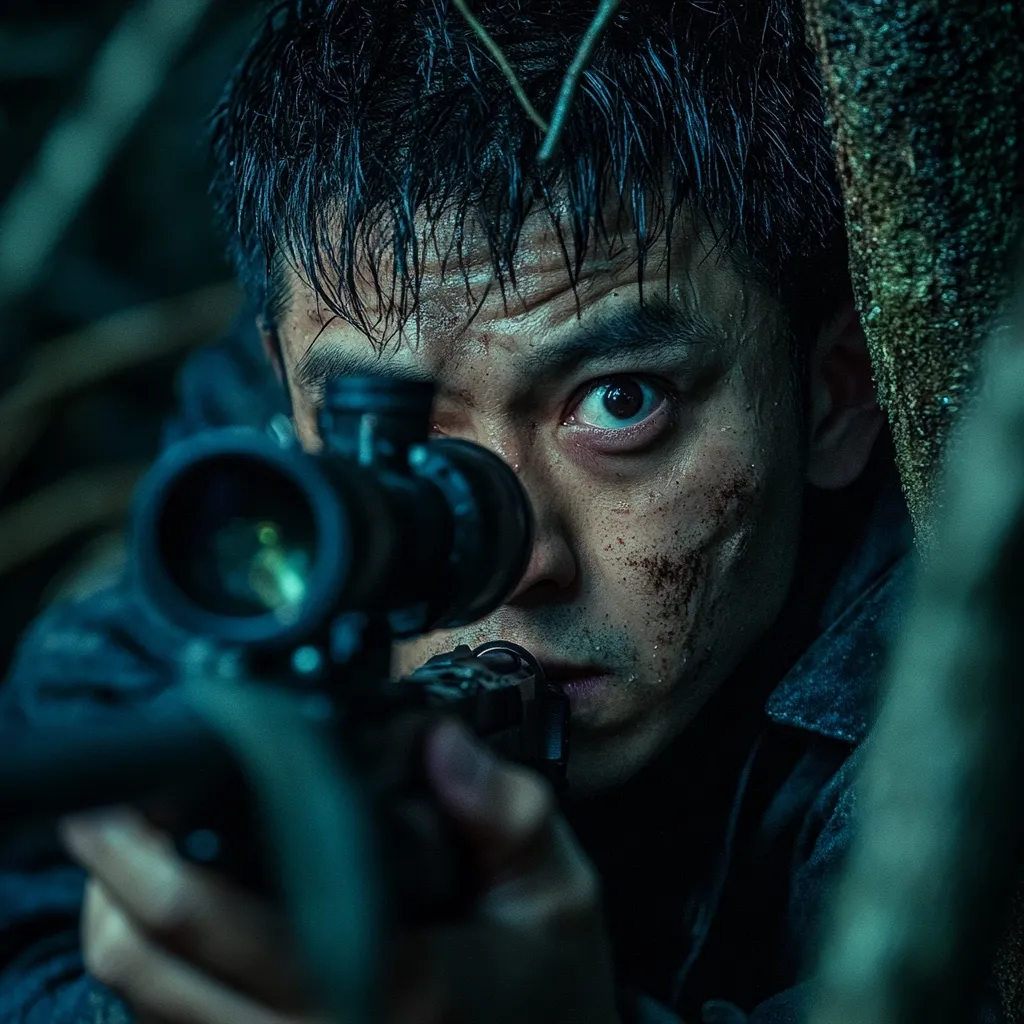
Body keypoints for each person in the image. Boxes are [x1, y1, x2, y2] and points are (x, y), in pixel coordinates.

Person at [0, 1, 1000, 1022]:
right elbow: (30, 918)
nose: (519, 560)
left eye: (618, 401)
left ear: (834, 392)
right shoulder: (248, 514)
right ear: (283, 391)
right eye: (389, 437)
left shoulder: (960, 667)